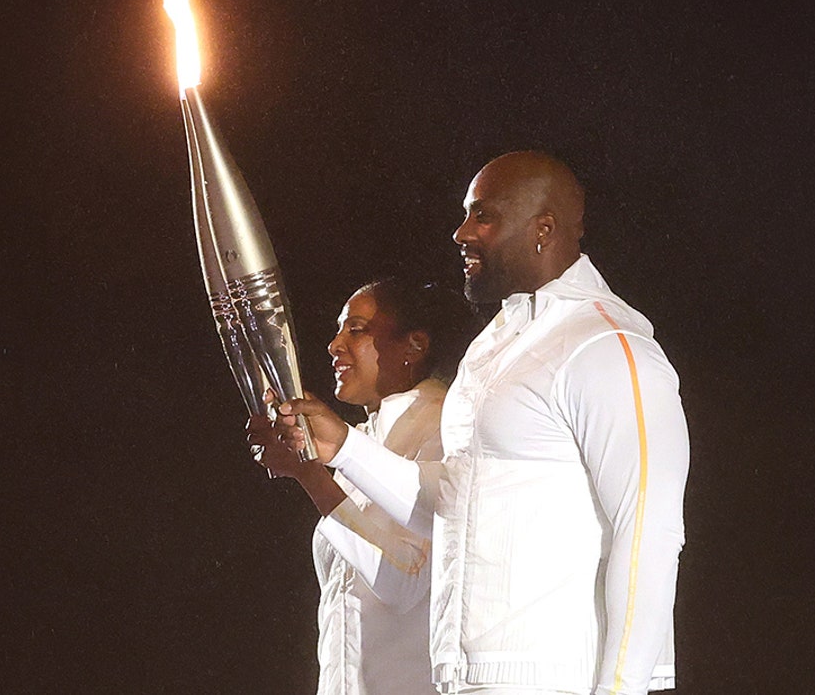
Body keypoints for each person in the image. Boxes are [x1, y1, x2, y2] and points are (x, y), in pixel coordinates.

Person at [276, 151, 691, 695]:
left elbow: (650, 537)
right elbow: (451, 501)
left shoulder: (607, 346)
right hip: (463, 679)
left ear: (543, 229)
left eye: (483, 217)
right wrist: (343, 449)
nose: (460, 233)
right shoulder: (491, 352)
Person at [247, 278, 475, 695]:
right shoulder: (368, 439)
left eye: (356, 329)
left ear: (413, 345)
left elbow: (405, 580)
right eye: (339, 330)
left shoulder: (443, 427)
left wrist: (315, 476)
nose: (335, 345)